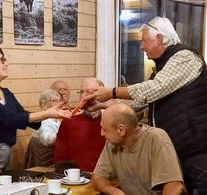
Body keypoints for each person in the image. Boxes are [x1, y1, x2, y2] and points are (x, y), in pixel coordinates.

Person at [84, 16, 207, 192]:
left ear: (159, 38)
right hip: (181, 149)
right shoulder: (163, 67)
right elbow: (142, 100)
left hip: (197, 150)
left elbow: (153, 89)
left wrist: (112, 91)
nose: (141, 46)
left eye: (143, 40)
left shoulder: (185, 57)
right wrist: (104, 104)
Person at [0, 46, 71, 180]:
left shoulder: (6, 93)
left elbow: (22, 114)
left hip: (3, 154)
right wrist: (48, 114)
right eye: (0, 60)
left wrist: (52, 113)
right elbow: (10, 118)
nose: (6, 63)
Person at [92, 103, 186, 195]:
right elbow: (98, 177)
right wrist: (114, 192)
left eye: (104, 129)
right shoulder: (112, 143)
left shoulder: (156, 139)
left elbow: (175, 187)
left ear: (121, 130)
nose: (102, 134)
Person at [54, 77, 106, 172]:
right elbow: (60, 161)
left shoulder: (110, 122)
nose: (88, 96)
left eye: (93, 92)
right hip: (76, 180)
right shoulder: (68, 122)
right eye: (84, 92)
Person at [24, 89, 62, 168]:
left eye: (59, 100)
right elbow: (47, 140)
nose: (59, 104)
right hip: (47, 166)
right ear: (44, 104)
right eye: (54, 101)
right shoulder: (45, 121)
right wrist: (63, 134)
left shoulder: (55, 120)